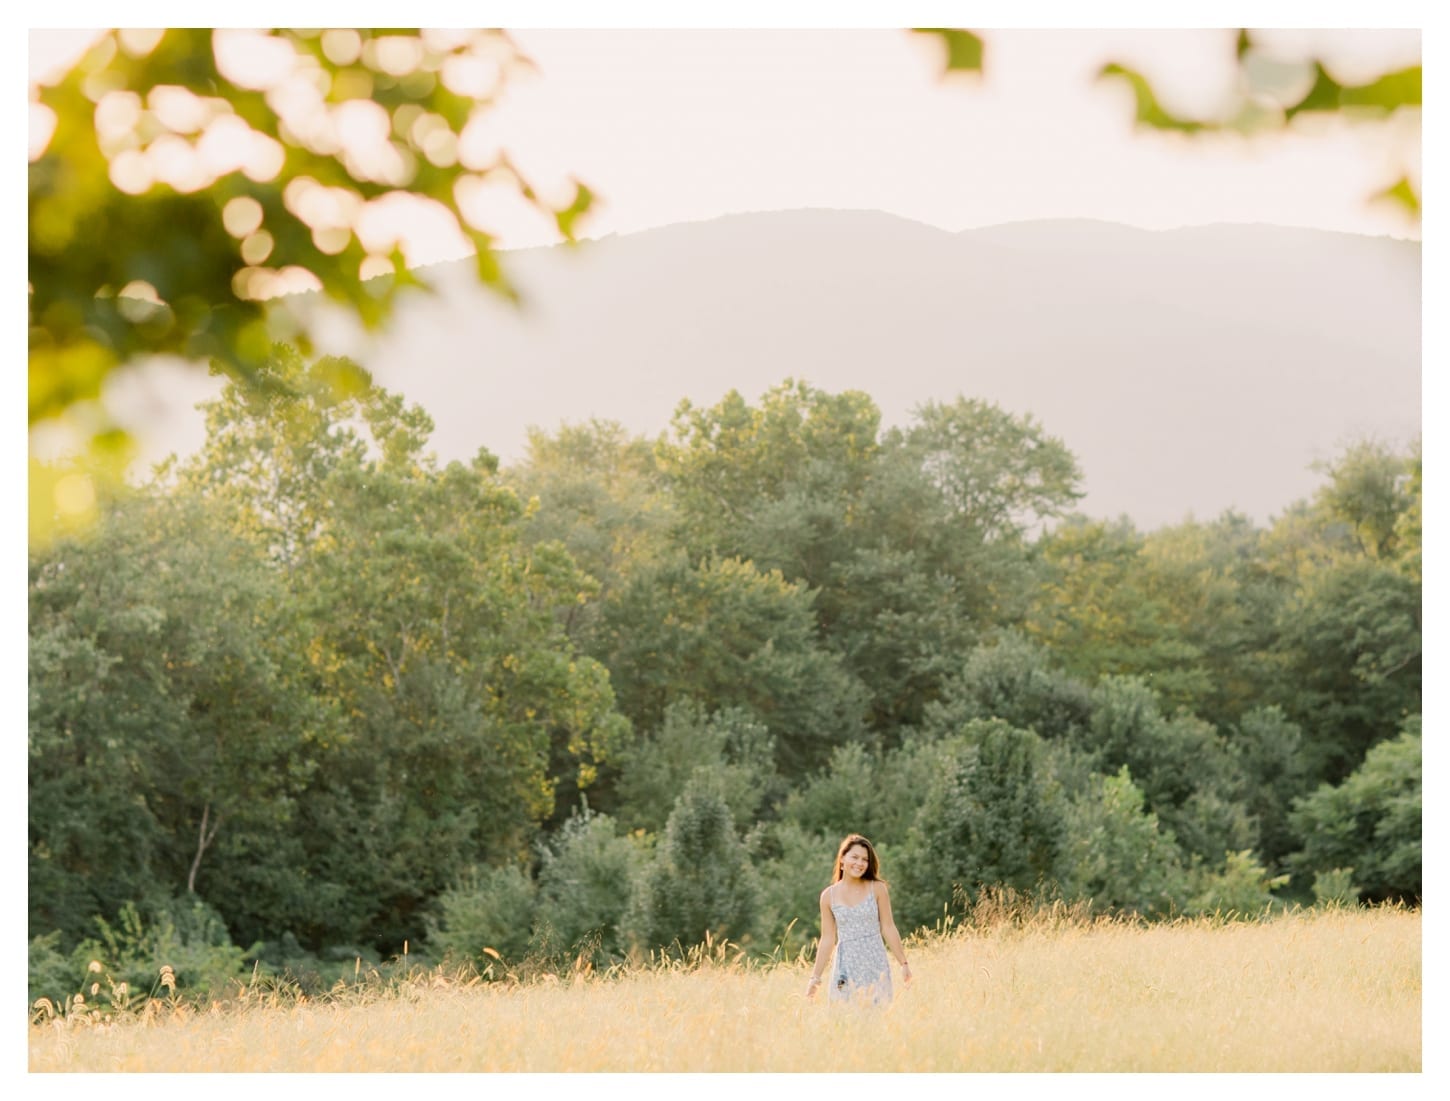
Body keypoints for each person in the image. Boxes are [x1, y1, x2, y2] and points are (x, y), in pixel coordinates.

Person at [805, 833, 912, 1003]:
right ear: (842, 860)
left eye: (864, 859)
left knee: (877, 1014)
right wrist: (815, 979)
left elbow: (888, 927)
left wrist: (903, 964)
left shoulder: (877, 889)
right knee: (843, 1015)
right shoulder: (828, 896)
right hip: (845, 966)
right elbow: (827, 939)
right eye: (854, 857)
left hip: (874, 964)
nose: (860, 863)